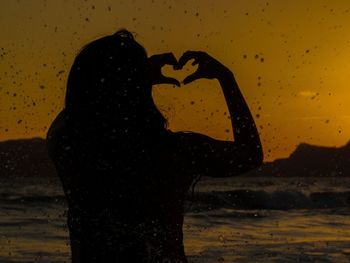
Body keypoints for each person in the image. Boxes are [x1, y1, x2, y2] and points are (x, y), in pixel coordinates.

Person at [47, 29, 263, 262]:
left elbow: (78, 108)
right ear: (140, 87)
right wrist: (226, 78)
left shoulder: (71, 149)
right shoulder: (171, 152)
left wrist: (137, 76)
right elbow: (250, 154)